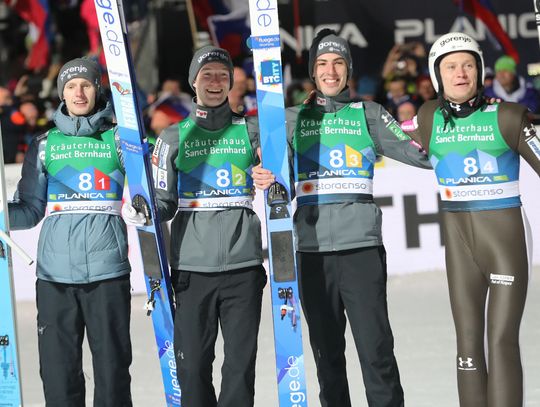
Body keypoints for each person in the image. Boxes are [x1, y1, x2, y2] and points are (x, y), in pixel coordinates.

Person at [252, 29, 431, 407]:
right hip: (311, 252)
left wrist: (455, 119)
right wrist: (260, 171)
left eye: (338, 63)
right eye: (322, 64)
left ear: (348, 70)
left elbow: (423, 154)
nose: (330, 71)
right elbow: (249, 156)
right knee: (328, 358)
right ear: (313, 73)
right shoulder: (288, 119)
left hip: (361, 250)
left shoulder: (369, 114)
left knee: (376, 352)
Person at [402, 32, 540, 407]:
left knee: (500, 340)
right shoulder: (428, 116)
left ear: (480, 71)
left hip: (506, 242)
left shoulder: (508, 116)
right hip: (460, 248)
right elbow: (387, 141)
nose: (460, 74)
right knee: (466, 342)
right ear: (437, 75)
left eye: (468, 65)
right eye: (450, 66)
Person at [8, 57, 138, 406]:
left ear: (97, 89)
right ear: (62, 94)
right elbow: (30, 210)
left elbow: (153, 188)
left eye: (85, 84)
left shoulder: (120, 140)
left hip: (107, 273)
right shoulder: (45, 144)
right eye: (70, 86)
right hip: (54, 277)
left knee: (112, 374)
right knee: (58, 374)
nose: (78, 92)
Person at [149, 46, 266, 407]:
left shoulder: (252, 131)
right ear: (193, 82)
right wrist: (145, 209)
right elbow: (164, 204)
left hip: (243, 266)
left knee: (239, 367)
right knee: (193, 366)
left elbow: (283, 182)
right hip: (191, 270)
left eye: (222, 75)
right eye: (207, 75)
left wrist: (273, 178)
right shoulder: (171, 138)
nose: (215, 82)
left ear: (231, 82)